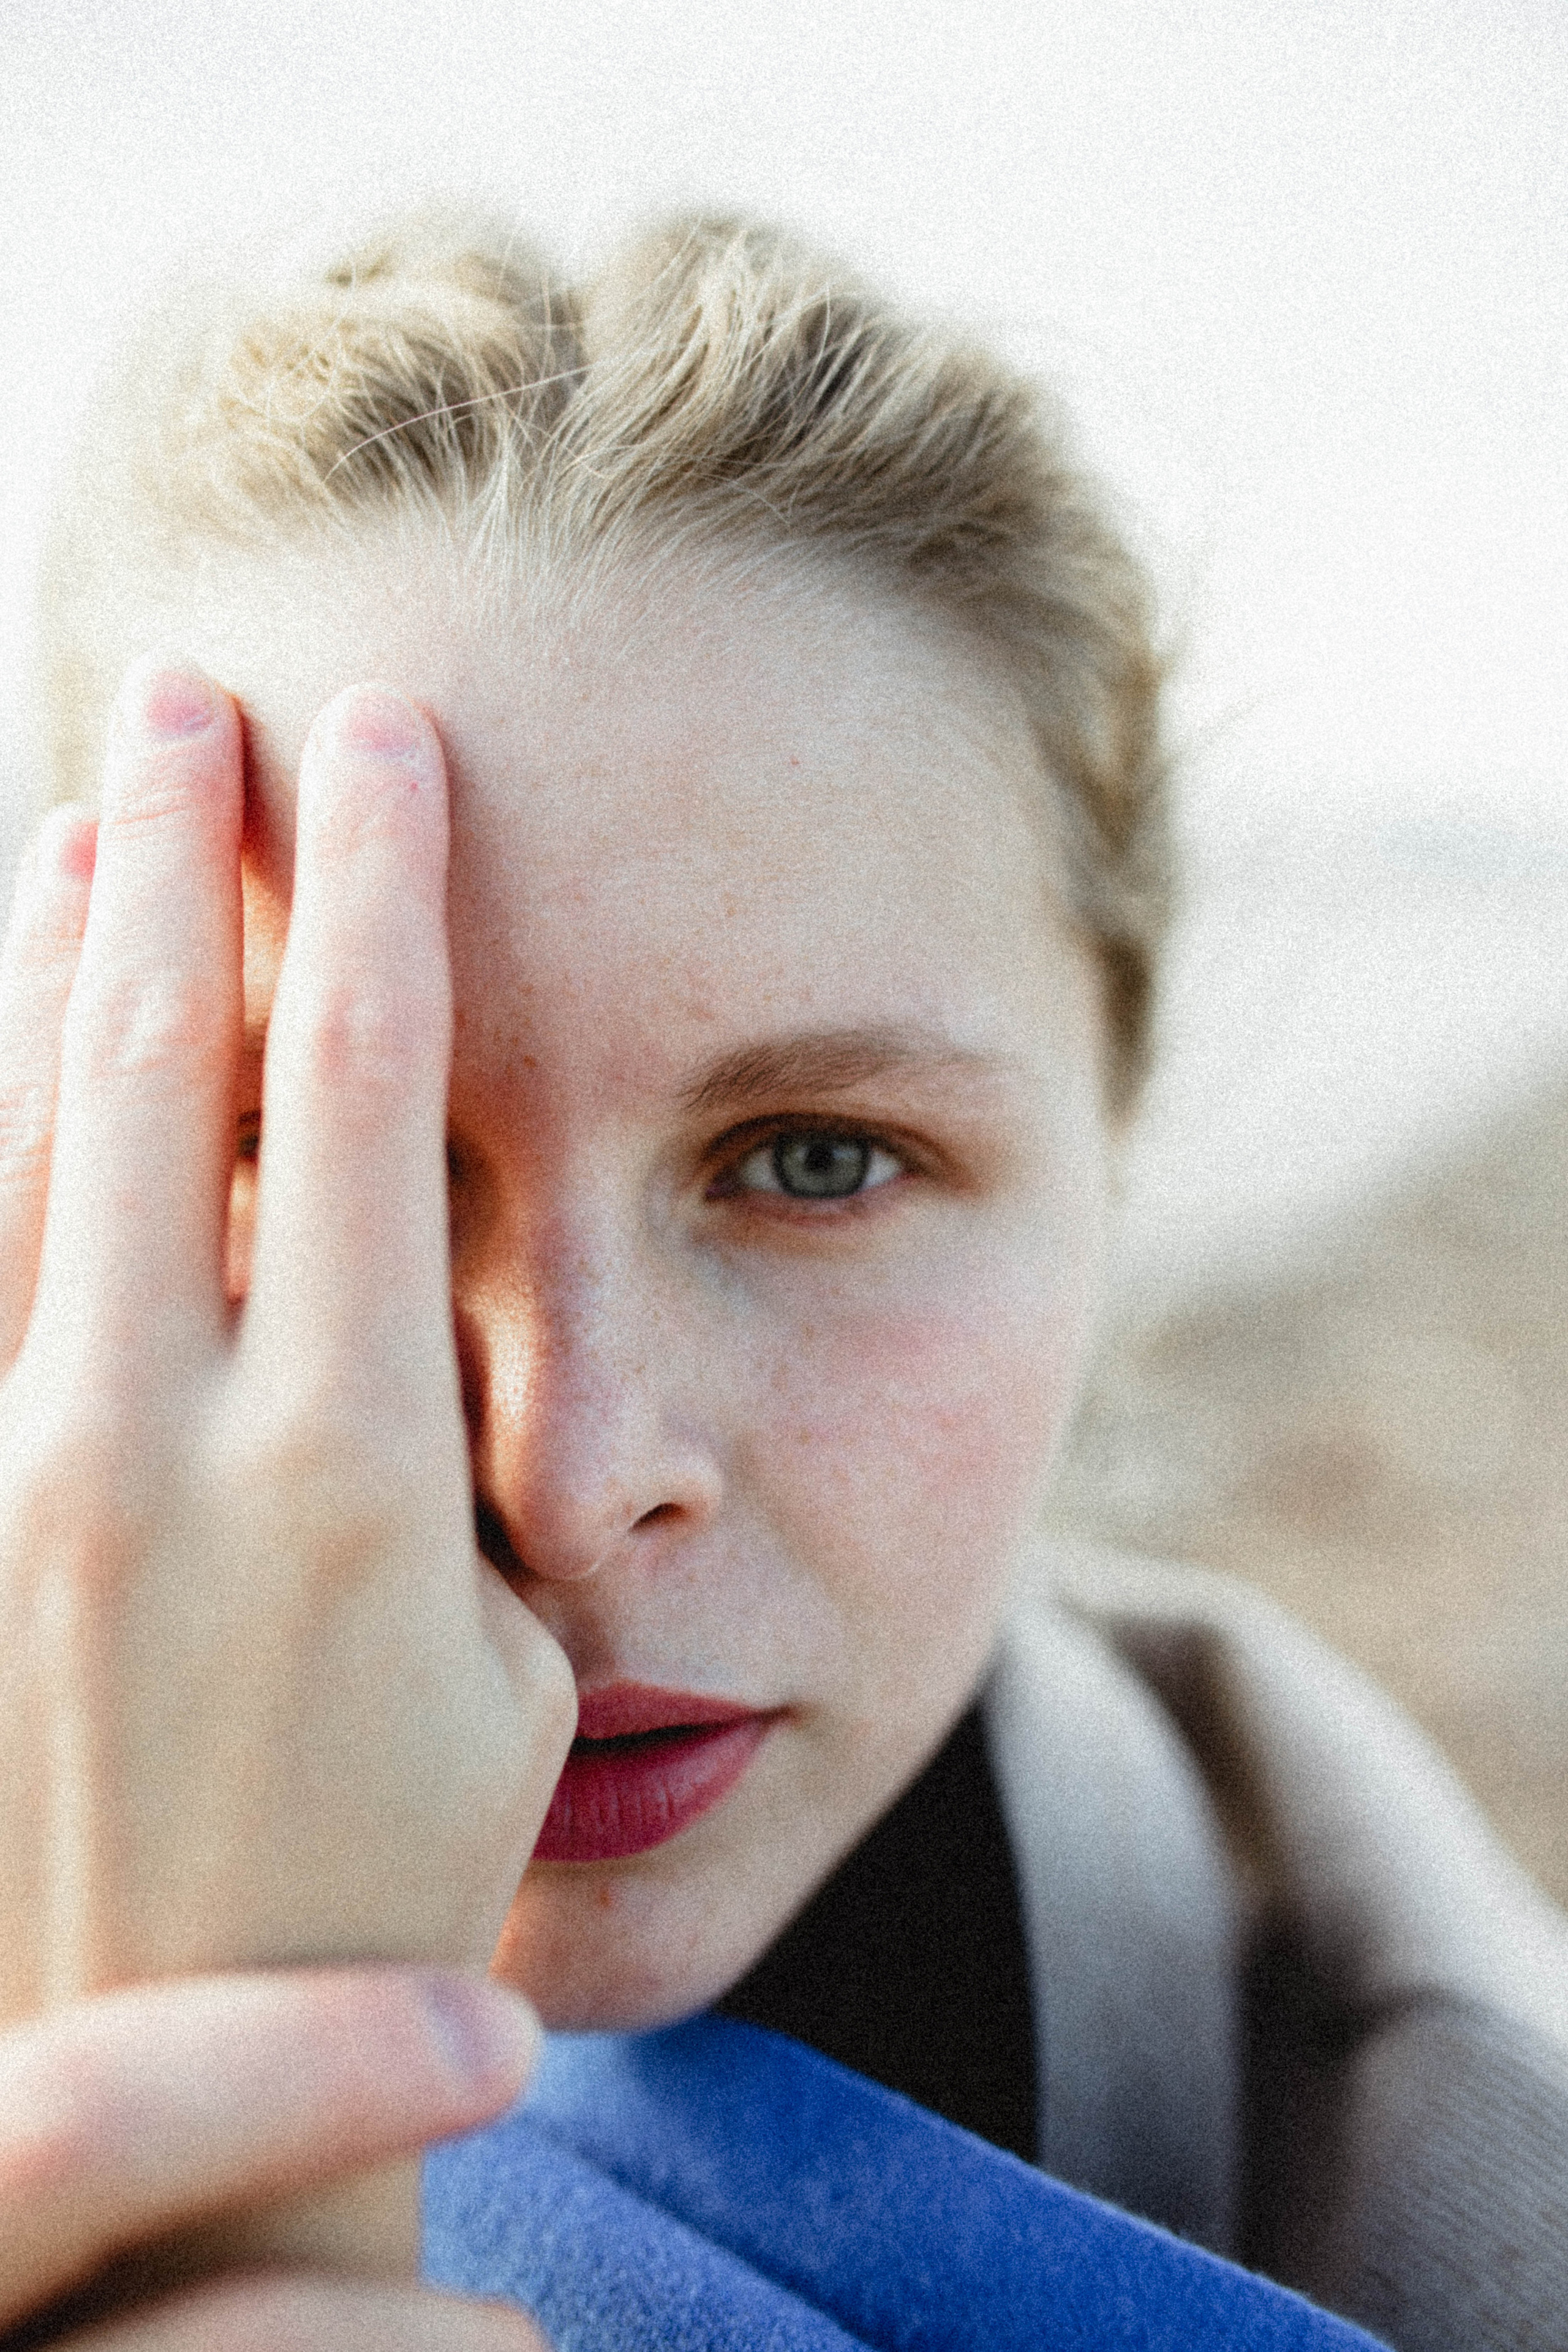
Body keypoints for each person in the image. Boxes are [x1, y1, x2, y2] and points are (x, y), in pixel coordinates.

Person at [1, 206, 1563, 2351]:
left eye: (813, 1162)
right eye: (315, 1163)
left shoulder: (1478, 2187)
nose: (567, 1481)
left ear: (1118, 1139)